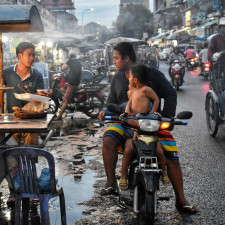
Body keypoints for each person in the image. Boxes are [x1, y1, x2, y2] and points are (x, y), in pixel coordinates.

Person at [98, 42, 197, 214]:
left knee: (170, 153)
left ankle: (181, 199)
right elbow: (110, 103)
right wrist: (104, 111)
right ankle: (111, 183)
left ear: (127, 58)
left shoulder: (151, 74)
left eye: (116, 58)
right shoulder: (117, 78)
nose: (114, 62)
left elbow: (170, 93)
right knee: (108, 138)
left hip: (152, 125)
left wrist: (166, 118)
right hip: (125, 124)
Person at [2, 42, 44, 205]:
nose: (32, 58)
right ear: (19, 56)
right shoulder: (6, 73)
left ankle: (31, 188)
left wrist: (38, 100)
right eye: (29, 54)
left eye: (33, 54)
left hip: (31, 122)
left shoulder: (37, 75)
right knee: (9, 154)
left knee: (30, 152)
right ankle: (14, 191)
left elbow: (40, 101)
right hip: (10, 122)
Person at [119, 64, 170, 190]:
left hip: (146, 126)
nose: (129, 78)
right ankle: (124, 175)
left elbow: (157, 100)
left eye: (130, 76)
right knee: (128, 150)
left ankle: (164, 173)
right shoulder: (134, 92)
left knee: (158, 151)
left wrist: (153, 112)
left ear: (135, 79)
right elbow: (129, 105)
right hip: (135, 125)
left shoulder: (146, 90)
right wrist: (125, 114)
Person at [54, 49, 82, 120]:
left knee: (65, 99)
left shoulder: (70, 61)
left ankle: (59, 116)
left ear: (70, 56)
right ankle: (70, 101)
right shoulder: (78, 62)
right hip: (77, 81)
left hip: (72, 82)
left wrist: (67, 60)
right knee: (63, 88)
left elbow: (62, 67)